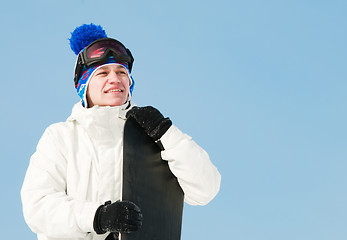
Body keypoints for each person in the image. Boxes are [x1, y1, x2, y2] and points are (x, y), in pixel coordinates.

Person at [21, 23, 221, 240]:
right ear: (84, 86)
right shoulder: (61, 137)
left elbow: (206, 189)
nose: (114, 79)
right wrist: (97, 217)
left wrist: (166, 133)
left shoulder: (151, 135)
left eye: (121, 72)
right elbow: (37, 207)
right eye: (102, 73)